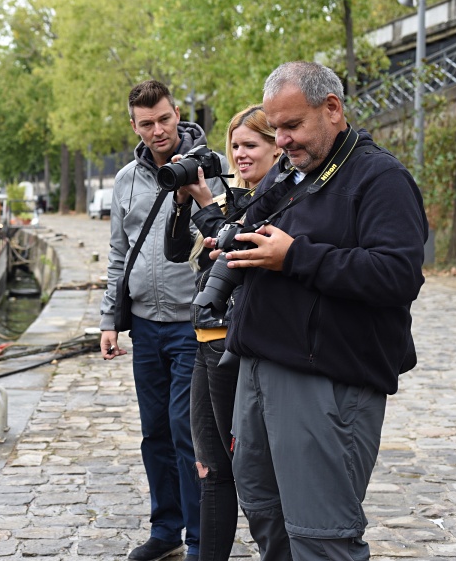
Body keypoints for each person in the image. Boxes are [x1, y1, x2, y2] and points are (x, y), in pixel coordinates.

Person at [218, 61, 427, 560]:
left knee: (321, 537)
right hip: (260, 368)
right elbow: (260, 235)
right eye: (276, 128)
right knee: (266, 515)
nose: (282, 141)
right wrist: (234, 247)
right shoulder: (289, 176)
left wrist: (294, 256)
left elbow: (399, 275)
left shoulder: (382, 178)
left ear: (332, 108)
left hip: (326, 380)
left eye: (292, 126)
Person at [100, 79, 221, 561]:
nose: (158, 130)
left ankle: (198, 537)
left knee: (185, 430)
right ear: (134, 125)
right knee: (154, 430)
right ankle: (166, 529)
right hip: (145, 326)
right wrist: (110, 319)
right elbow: (117, 253)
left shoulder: (208, 169)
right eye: (146, 123)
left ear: (178, 114)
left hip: (192, 325)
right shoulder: (125, 179)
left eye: (164, 119)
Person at [165, 105, 281, 561]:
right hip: (204, 340)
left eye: (250, 145)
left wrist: (208, 209)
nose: (240, 154)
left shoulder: (277, 201)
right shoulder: (236, 200)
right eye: (234, 146)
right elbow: (178, 251)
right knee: (209, 469)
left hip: (234, 345)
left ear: (278, 148)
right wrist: (185, 202)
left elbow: (240, 248)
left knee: (241, 471)